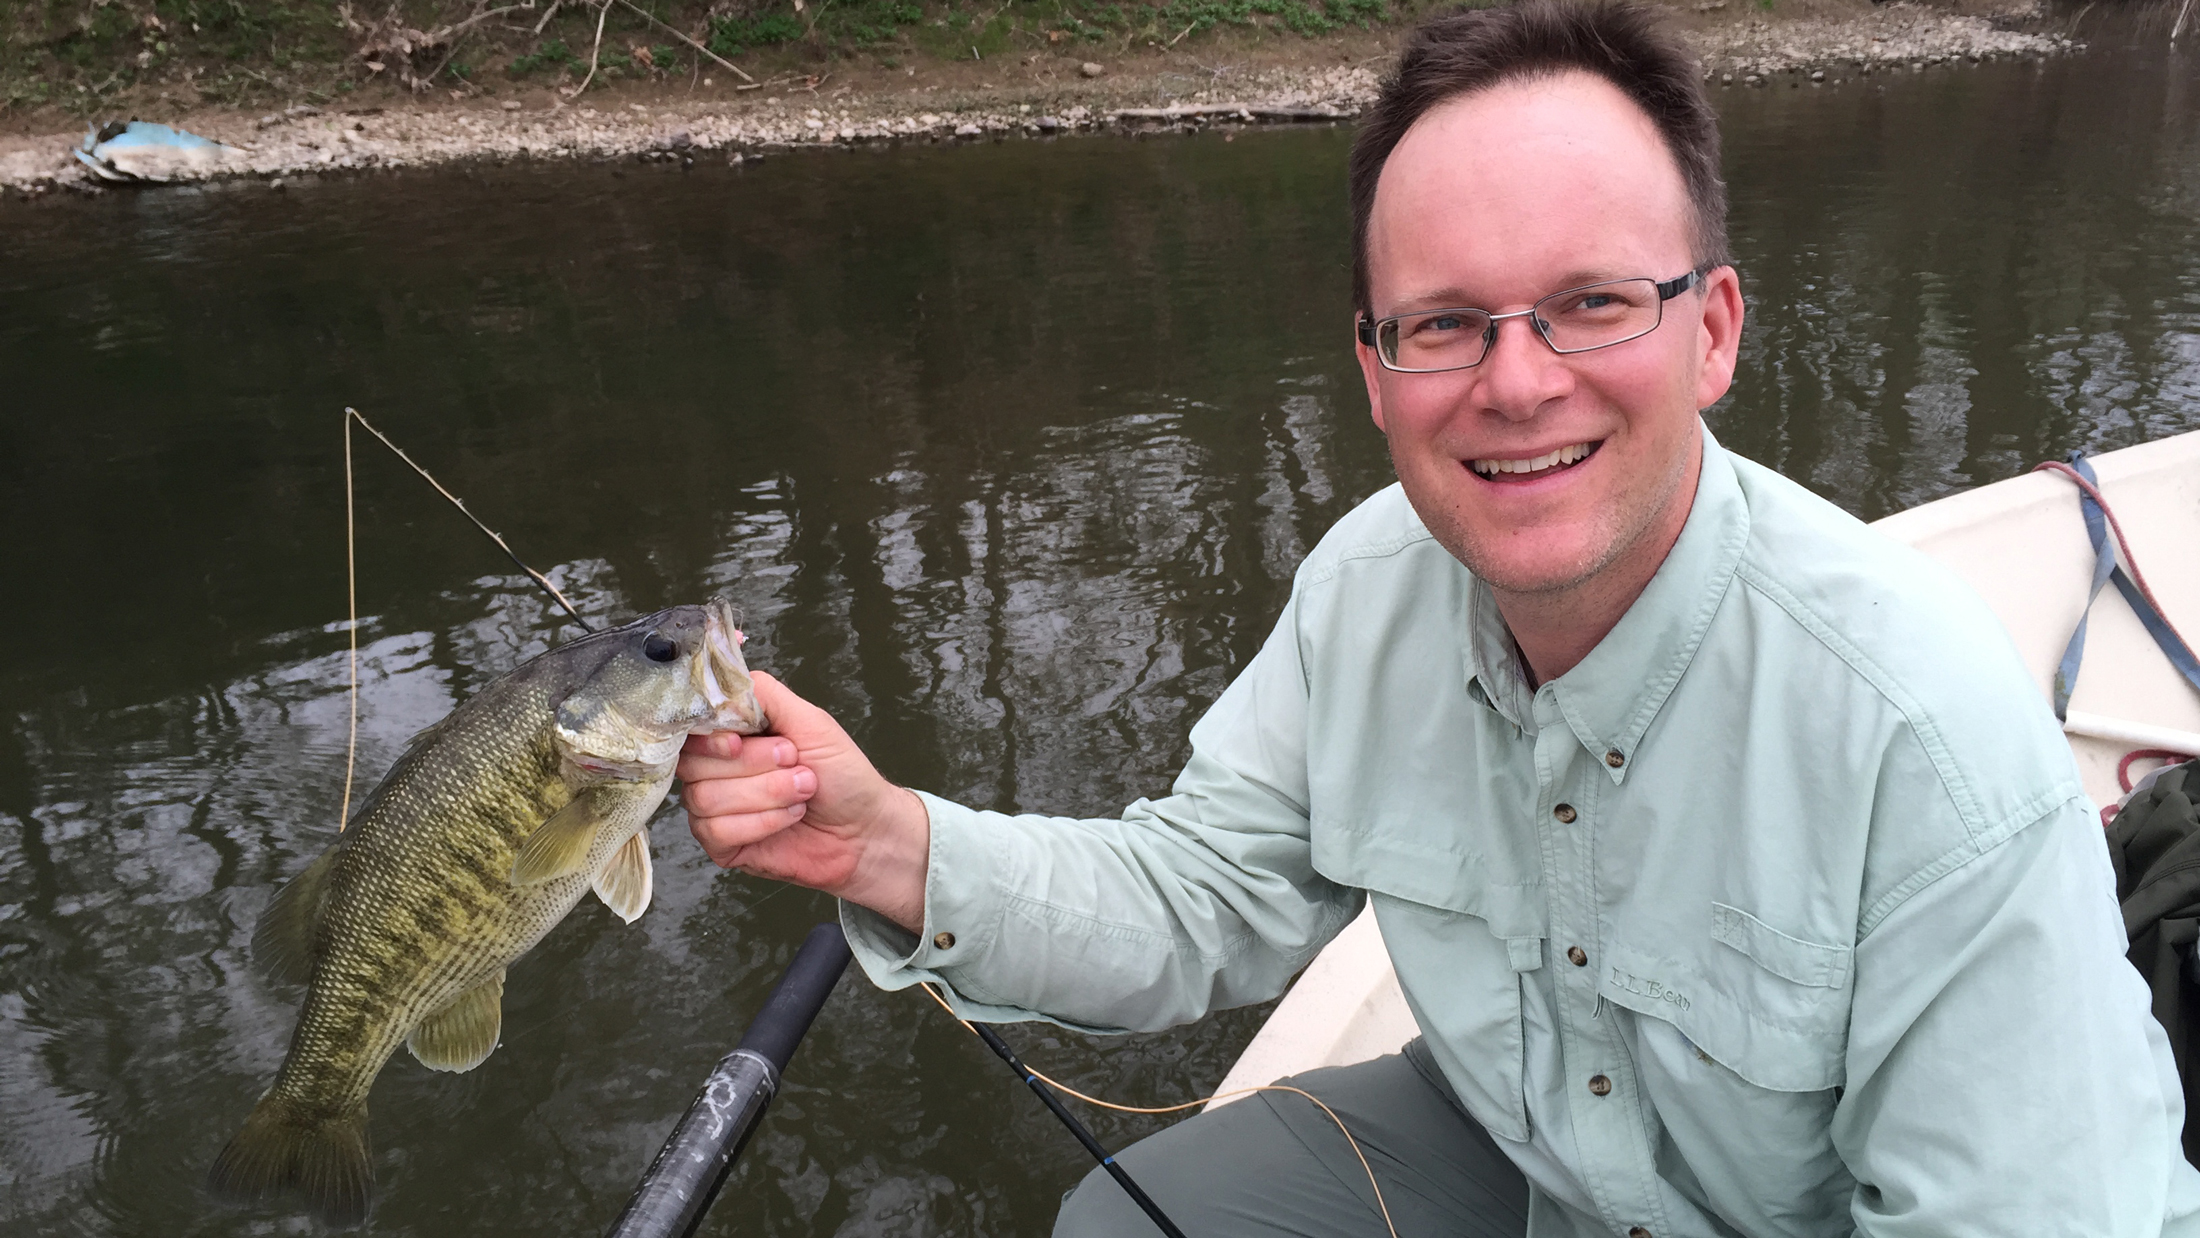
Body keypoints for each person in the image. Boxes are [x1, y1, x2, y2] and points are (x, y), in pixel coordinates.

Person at [676, 2, 2200, 1233]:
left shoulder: (1922, 732)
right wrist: (876, 842)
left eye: (1593, 301)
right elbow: (1195, 894)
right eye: (1445, 322)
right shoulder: (1363, 588)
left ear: (1714, 331)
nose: (1518, 379)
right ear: (1374, 369)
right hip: (1525, 1151)